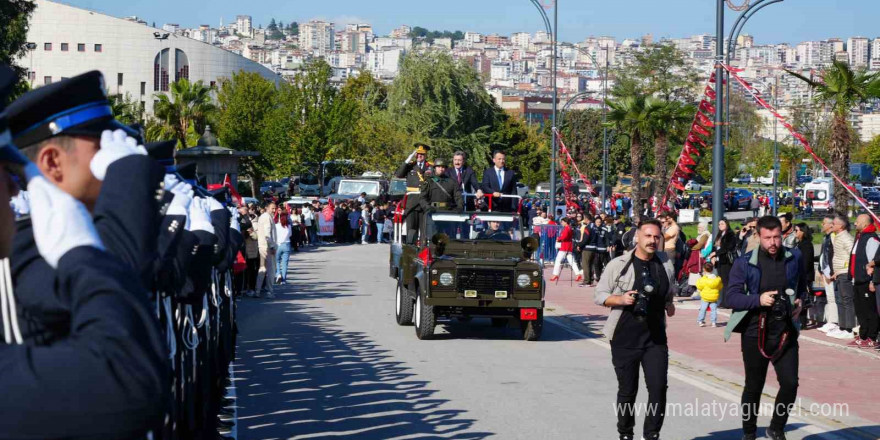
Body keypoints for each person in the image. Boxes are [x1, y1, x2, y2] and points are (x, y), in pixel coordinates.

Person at [723, 216, 806, 440]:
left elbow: (802, 288)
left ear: (783, 235)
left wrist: (800, 303)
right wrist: (758, 300)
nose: (773, 242)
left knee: (790, 383)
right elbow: (730, 297)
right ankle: (749, 432)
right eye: (767, 238)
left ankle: (776, 428)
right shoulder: (744, 262)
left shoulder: (794, 257)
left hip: (785, 330)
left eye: (777, 237)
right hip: (754, 330)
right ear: (758, 237)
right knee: (754, 386)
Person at [594, 219, 675, 440]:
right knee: (628, 391)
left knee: (658, 389)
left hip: (655, 338)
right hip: (624, 336)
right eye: (648, 236)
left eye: (656, 237)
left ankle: (651, 435)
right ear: (637, 237)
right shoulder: (619, 264)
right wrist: (620, 299)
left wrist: (669, 303)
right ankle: (625, 433)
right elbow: (599, 295)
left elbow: (670, 288)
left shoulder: (665, 263)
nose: (652, 240)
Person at [847, 214, 880, 348]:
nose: (854, 224)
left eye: (857, 221)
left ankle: (872, 336)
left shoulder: (871, 238)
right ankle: (863, 335)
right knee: (860, 310)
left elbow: (873, 263)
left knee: (870, 310)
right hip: (858, 280)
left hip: (867, 281)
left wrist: (872, 281)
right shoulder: (860, 237)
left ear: (865, 224)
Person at [395, 143, 432, 244]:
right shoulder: (410, 165)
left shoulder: (430, 167)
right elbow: (398, 174)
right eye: (418, 154)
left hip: (425, 202)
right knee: (411, 229)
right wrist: (407, 160)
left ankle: (424, 251)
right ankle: (410, 251)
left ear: (426, 155)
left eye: (422, 154)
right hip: (411, 202)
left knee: (425, 230)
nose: (419, 156)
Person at [828, 214, 856, 340]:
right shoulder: (836, 236)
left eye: (833, 224)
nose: (831, 225)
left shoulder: (846, 238)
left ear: (841, 226)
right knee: (839, 300)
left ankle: (849, 328)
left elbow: (852, 257)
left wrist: (842, 271)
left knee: (846, 300)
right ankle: (842, 327)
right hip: (837, 273)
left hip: (844, 274)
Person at [816, 217, 838, 333]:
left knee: (832, 298)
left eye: (824, 223)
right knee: (829, 298)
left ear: (830, 225)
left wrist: (831, 271)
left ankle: (833, 322)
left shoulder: (833, 237)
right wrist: (820, 269)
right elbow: (823, 255)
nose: (822, 225)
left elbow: (833, 255)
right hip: (825, 270)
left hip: (830, 271)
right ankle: (830, 321)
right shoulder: (826, 237)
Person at [709, 218, 737, 307]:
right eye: (719, 224)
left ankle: (727, 302)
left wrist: (715, 253)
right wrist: (713, 256)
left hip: (726, 260)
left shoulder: (730, 234)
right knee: (722, 281)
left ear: (727, 224)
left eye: (722, 224)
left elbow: (727, 247)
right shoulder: (719, 234)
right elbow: (714, 246)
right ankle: (723, 301)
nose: (720, 226)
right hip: (719, 260)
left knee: (726, 281)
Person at [793, 223, 816, 327]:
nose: (795, 232)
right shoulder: (799, 243)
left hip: (805, 276)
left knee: (803, 298)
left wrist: (801, 274)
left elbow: (806, 262)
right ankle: (799, 320)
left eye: (797, 230)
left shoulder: (806, 244)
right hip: (799, 275)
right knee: (799, 299)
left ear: (803, 231)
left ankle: (802, 322)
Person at [254, 201, 277, 298]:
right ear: (267, 208)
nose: (274, 210)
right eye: (272, 208)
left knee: (262, 268)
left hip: (262, 246)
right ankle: (270, 291)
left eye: (275, 208)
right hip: (267, 247)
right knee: (271, 270)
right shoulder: (267, 217)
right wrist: (271, 246)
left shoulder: (262, 216)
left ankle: (257, 291)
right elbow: (268, 234)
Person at [550, 218, 584, 282]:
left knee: (558, 260)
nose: (561, 223)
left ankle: (555, 274)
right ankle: (578, 274)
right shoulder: (569, 228)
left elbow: (564, 237)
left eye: (562, 222)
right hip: (569, 246)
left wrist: (559, 239)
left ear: (566, 222)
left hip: (564, 247)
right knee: (572, 261)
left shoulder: (566, 228)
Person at [696, 262, 722, 327]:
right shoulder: (716, 279)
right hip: (714, 297)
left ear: (704, 269)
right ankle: (713, 322)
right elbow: (720, 286)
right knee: (713, 310)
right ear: (712, 269)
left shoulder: (703, 279)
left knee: (703, 309)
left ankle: (700, 321)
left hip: (705, 297)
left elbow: (699, 286)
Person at [275, 207, 292, 285]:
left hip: (278, 244)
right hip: (287, 244)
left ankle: (278, 273)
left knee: (277, 261)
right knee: (285, 263)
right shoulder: (288, 226)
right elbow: (290, 235)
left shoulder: (276, 226)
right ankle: (284, 279)